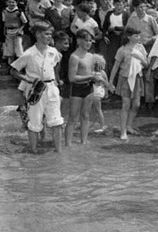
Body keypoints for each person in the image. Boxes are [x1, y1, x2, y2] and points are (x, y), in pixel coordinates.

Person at [10, 21, 64, 153]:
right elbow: (13, 70)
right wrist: (27, 79)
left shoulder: (53, 51)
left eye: (51, 34)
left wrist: (56, 80)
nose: (50, 36)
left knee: (56, 121)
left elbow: (57, 63)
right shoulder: (29, 54)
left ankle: (59, 152)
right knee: (34, 122)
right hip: (35, 90)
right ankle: (33, 152)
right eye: (47, 34)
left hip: (51, 87)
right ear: (38, 35)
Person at [109, 27, 150, 140]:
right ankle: (123, 131)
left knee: (136, 104)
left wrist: (140, 58)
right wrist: (110, 82)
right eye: (136, 36)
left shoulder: (141, 48)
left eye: (139, 36)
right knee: (125, 105)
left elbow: (146, 65)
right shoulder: (122, 50)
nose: (138, 38)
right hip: (125, 78)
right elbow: (116, 66)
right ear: (129, 37)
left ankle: (129, 126)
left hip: (137, 78)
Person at [65, 30, 103, 146]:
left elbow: (93, 71)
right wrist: (91, 76)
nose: (88, 43)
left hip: (89, 88)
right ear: (78, 40)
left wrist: (97, 75)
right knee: (72, 118)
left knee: (86, 116)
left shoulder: (91, 56)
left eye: (90, 41)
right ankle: (68, 144)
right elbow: (71, 78)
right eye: (85, 40)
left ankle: (84, 142)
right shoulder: (74, 57)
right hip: (77, 88)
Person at [90, 54, 109, 133]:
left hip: (95, 92)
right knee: (96, 109)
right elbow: (107, 83)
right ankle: (95, 123)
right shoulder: (103, 73)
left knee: (97, 109)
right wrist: (106, 92)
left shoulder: (93, 73)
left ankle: (101, 125)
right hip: (100, 91)